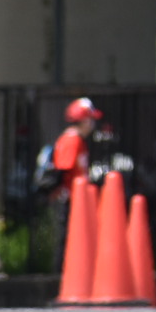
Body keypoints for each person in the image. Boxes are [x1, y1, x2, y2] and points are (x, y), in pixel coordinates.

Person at [51, 97, 101, 273]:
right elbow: (63, 169)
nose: (93, 123)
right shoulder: (72, 140)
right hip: (71, 199)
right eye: (91, 119)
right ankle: (59, 277)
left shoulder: (78, 140)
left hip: (77, 199)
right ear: (84, 120)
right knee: (67, 240)